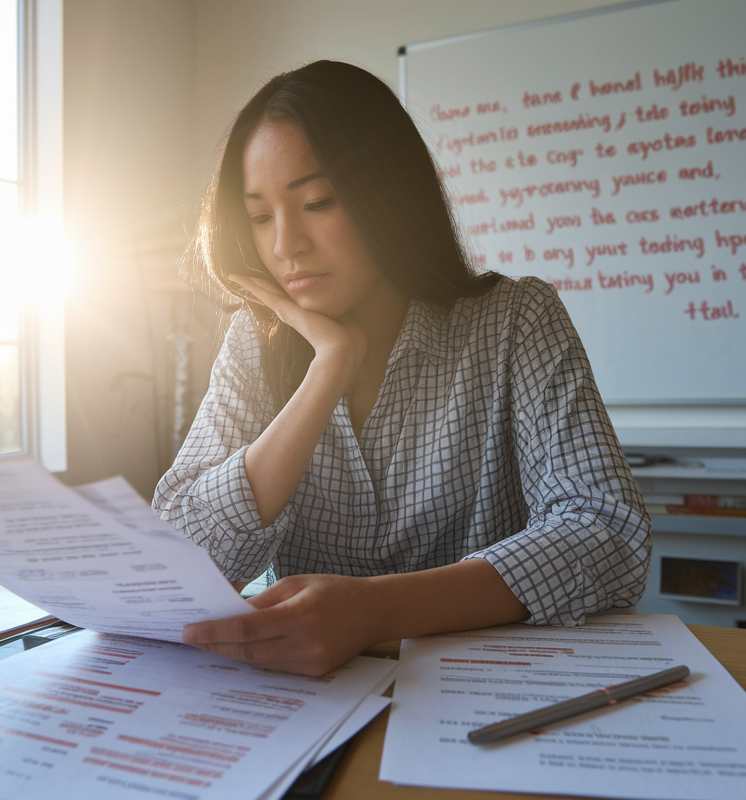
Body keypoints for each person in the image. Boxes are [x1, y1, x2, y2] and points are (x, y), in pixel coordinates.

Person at [153, 60, 649, 676]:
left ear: (387, 192)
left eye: (317, 201)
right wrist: (328, 368)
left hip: (482, 688)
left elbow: (606, 534)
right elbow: (176, 563)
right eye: (259, 216)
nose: (285, 245)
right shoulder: (254, 342)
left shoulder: (516, 318)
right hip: (308, 702)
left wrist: (375, 611)